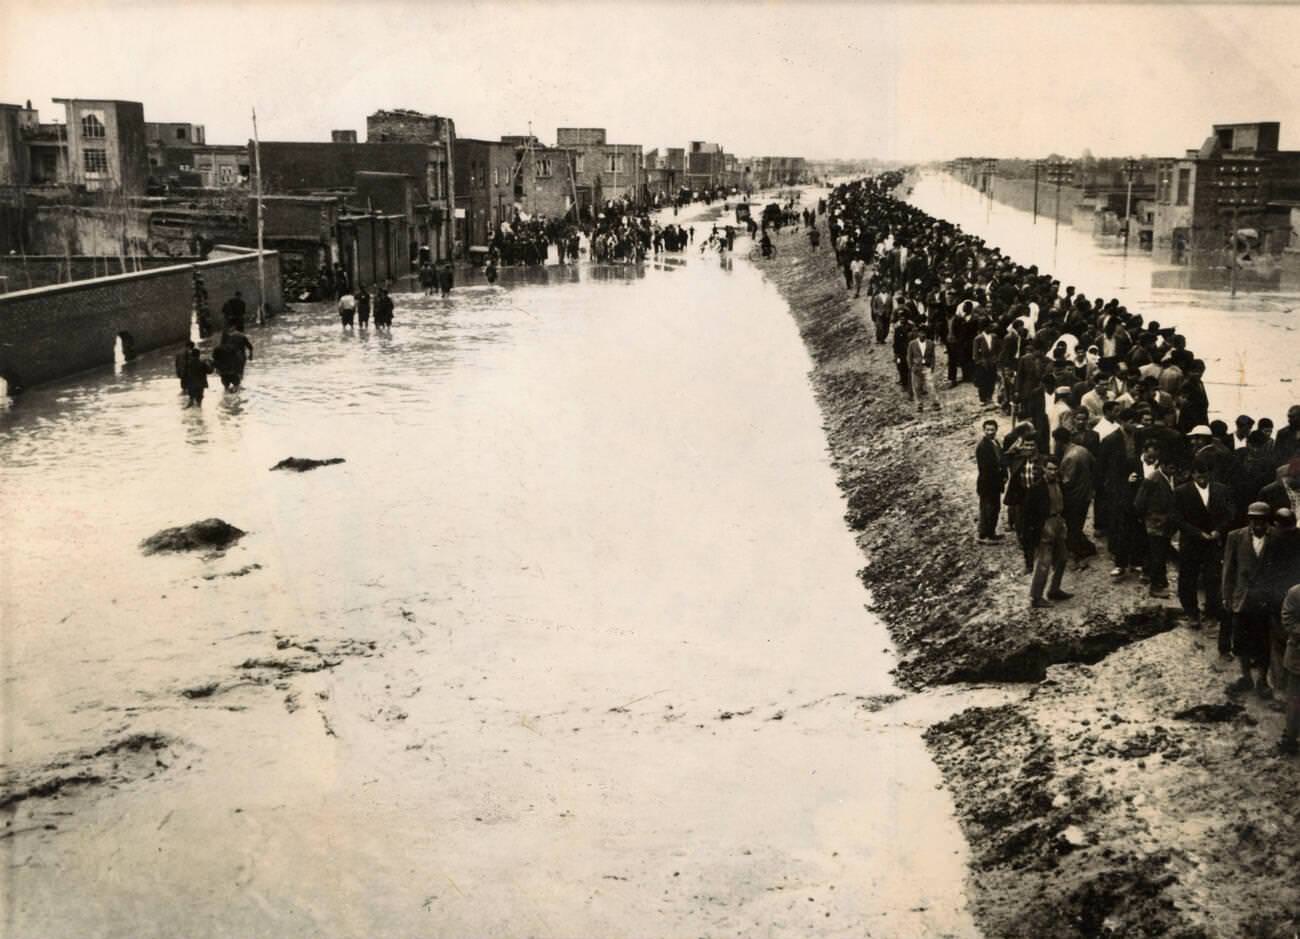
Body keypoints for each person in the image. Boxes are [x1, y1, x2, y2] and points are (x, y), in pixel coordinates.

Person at [1224, 502, 1277, 699]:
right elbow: (1228, 569)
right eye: (1254, 520)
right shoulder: (1235, 537)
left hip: (1265, 599)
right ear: (1249, 520)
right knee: (1240, 641)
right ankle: (1245, 676)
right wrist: (1227, 596)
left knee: (1263, 642)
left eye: (1262, 520)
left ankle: (1262, 680)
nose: (1258, 525)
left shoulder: (1276, 538)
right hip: (1242, 598)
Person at [1174, 461, 1233, 630]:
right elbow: (1177, 518)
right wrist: (1198, 533)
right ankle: (1192, 613)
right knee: (1188, 578)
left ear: (1210, 473)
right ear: (1192, 474)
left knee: (1213, 578)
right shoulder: (1181, 492)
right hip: (1191, 542)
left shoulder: (1221, 490)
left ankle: (1211, 613)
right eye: (1198, 475)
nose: (1202, 478)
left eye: (1205, 474)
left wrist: (1218, 531)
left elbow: (1230, 514)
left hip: (1213, 543)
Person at [1023, 456, 1072, 609]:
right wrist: (1034, 532)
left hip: (1059, 522)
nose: (1052, 472)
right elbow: (1028, 513)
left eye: (1055, 469)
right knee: (1044, 562)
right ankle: (1036, 597)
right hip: (1046, 525)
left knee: (1063, 558)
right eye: (1049, 469)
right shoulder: (1037, 488)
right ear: (1044, 468)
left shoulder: (1060, 484)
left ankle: (1054, 590)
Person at [1134, 452, 1177, 598]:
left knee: (1159, 552)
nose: (1173, 471)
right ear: (1162, 465)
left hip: (1163, 522)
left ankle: (1159, 581)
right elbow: (1139, 502)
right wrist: (1145, 518)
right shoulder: (1153, 479)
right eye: (1171, 468)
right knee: (1157, 554)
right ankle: (1156, 586)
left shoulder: (1168, 477)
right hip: (1155, 522)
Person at [976, 419, 1007, 544]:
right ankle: (987, 535)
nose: (990, 432)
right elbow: (986, 469)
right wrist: (1000, 476)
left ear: (996, 430)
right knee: (989, 508)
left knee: (993, 508)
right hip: (988, 483)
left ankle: (988, 533)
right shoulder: (983, 447)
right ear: (983, 430)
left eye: (992, 430)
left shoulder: (995, 443)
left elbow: (1000, 459)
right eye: (987, 430)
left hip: (993, 482)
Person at [1278, 582, 1300, 755]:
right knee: (1294, 701)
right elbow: (1288, 621)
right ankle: (1290, 739)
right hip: (1297, 659)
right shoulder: (1295, 592)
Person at [906, 328, 940, 413]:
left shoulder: (930, 343)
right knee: (917, 387)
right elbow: (909, 356)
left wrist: (932, 366)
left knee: (930, 385)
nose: (923, 335)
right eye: (921, 333)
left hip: (926, 367)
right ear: (918, 334)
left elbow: (933, 356)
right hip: (916, 368)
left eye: (924, 333)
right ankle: (919, 405)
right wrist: (911, 367)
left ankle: (935, 403)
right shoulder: (912, 344)